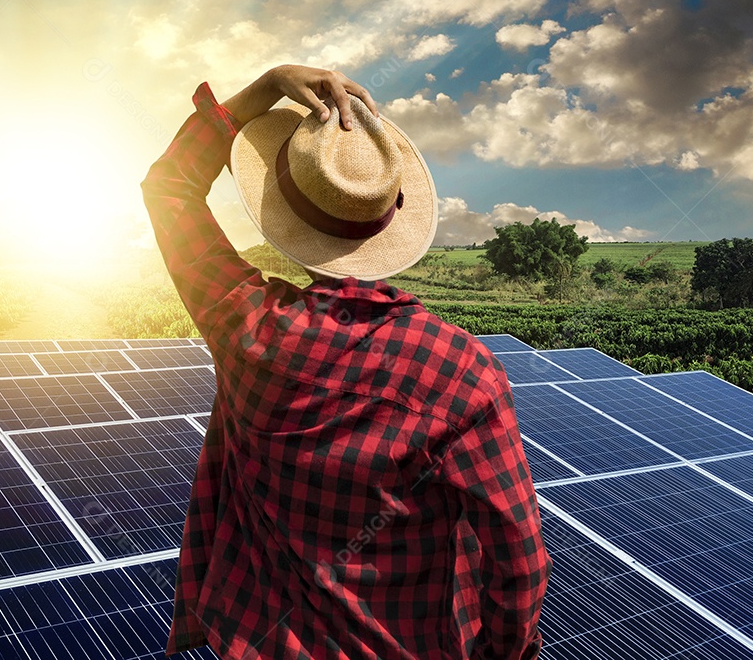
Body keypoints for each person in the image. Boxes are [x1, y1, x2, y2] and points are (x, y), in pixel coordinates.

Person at [142, 64, 551, 660]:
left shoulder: (246, 325)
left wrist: (267, 86)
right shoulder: (462, 369)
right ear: (393, 212)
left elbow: (170, 187)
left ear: (284, 212)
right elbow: (518, 557)